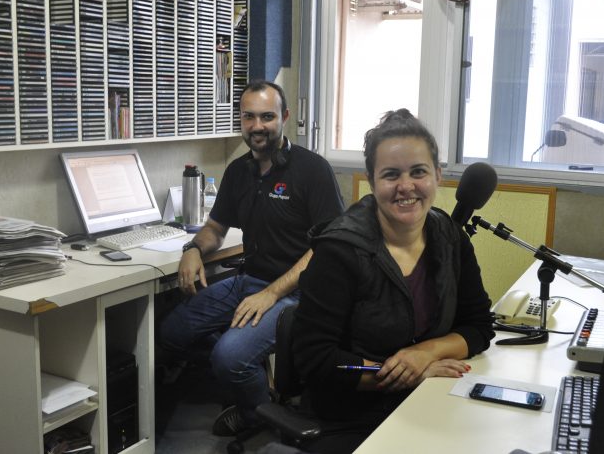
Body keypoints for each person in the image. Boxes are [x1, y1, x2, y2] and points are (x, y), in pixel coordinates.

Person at [292, 109, 495, 453]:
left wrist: (424, 353)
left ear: (437, 175)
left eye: (418, 172)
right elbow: (316, 359)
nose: (406, 186)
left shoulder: (450, 237)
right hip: (349, 416)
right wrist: (405, 374)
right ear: (372, 182)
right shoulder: (339, 250)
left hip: (429, 399)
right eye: (391, 175)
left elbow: (478, 325)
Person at [160, 80, 344, 436]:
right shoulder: (238, 171)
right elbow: (216, 227)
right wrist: (193, 249)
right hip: (249, 281)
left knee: (229, 357)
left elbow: (327, 246)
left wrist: (271, 293)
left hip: (297, 293)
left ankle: (255, 412)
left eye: (267, 117)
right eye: (248, 117)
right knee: (172, 332)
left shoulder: (312, 170)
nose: (257, 126)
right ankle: (251, 376)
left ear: (284, 117)